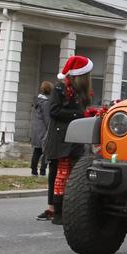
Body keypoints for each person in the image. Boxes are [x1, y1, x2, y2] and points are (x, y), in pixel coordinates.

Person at [41, 56, 91, 224]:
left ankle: (63, 208)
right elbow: (54, 111)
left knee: (71, 174)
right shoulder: (60, 89)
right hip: (60, 138)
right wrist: (79, 115)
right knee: (58, 173)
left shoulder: (81, 92)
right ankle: (55, 209)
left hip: (75, 139)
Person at [30, 81, 51, 177]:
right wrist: (50, 129)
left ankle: (33, 170)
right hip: (43, 130)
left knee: (37, 151)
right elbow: (47, 118)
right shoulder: (46, 103)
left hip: (36, 129)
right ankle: (42, 170)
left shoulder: (37, 101)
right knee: (45, 151)